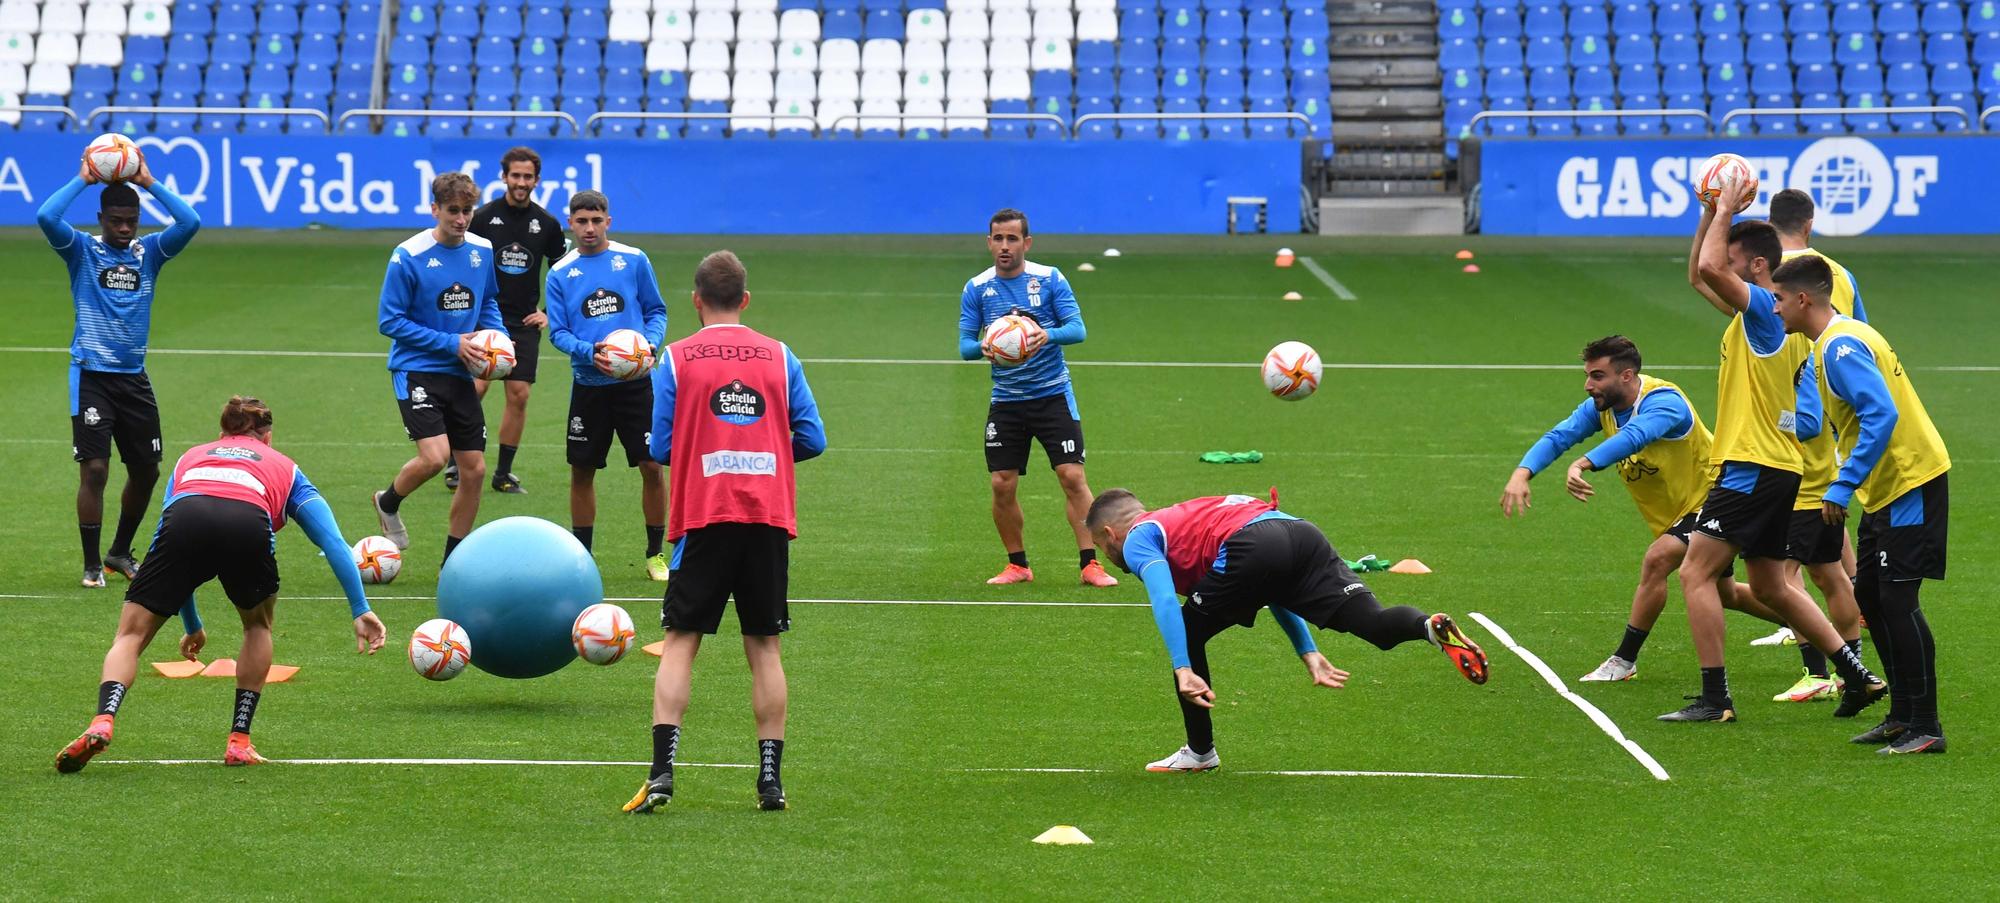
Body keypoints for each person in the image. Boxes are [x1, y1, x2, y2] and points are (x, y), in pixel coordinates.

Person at [54, 396, 387, 773]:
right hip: (247, 525)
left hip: (186, 519)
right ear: (267, 436)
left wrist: (192, 624)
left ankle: (103, 720)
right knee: (257, 625)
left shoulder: (190, 459)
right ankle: (239, 742)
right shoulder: (287, 469)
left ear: (222, 433)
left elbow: (170, 536)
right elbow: (332, 543)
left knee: (129, 635)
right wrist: (360, 609)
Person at [1668, 181, 1885, 725]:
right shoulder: (1764, 312)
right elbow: (1701, 273)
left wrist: (1721, 210)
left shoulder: (1765, 308)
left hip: (1751, 465)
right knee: (1769, 584)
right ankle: (1855, 673)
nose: (1724, 263)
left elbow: (1713, 271)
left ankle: (1715, 700)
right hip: (1776, 468)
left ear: (1759, 266)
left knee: (1696, 574)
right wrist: (1707, 217)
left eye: (1736, 259)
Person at [1086, 488, 1488, 773]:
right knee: (1373, 624)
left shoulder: (1138, 538)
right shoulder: (1184, 519)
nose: (1111, 558)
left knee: (1189, 632)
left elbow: (1162, 600)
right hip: (1299, 532)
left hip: (1254, 544)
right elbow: (1270, 581)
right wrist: (1307, 649)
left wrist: (1181, 667)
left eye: (1104, 551)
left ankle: (1200, 753)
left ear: (1110, 534)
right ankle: (1427, 628)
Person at [625, 251, 826, 814]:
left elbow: (659, 446)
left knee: (681, 644)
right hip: (766, 517)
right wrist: (765, 450)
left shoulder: (677, 358)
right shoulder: (780, 356)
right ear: (744, 300)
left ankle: (662, 774)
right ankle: (770, 782)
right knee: (764, 647)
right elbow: (812, 438)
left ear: (695, 300)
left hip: (703, 517)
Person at [1501, 336, 1795, 682]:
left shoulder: (1665, 403)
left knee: (1658, 559)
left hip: (1717, 497)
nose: (1587, 385)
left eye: (1597, 376)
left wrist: (1583, 464)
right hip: (1678, 511)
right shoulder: (1603, 406)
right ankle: (1805, 624)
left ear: (1626, 376)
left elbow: (1635, 436)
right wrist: (1522, 474)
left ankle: (1624, 660)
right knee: (1724, 593)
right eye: (1587, 375)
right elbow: (1560, 435)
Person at [1780, 255, 1952, 755]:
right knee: (1872, 599)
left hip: (1908, 481)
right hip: (1884, 485)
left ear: (1804, 298)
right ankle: (1901, 716)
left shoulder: (1839, 348)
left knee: (1898, 601)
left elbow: (1882, 412)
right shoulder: (1837, 338)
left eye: (1779, 298)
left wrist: (1840, 483)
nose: (1774, 308)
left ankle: (1927, 725)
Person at [37, 157, 201, 588]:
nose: (125, 228)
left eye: (131, 220)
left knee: (146, 470)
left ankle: (119, 552)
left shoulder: (150, 254)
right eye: (116, 221)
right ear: (101, 219)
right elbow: (45, 215)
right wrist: (84, 178)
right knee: (94, 470)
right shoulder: (82, 251)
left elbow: (191, 221)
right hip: (91, 375)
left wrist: (149, 182)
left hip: (133, 377)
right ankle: (92, 564)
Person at [957, 209, 1117, 588]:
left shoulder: (1049, 279)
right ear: (989, 242)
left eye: (1012, 239)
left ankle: (1090, 564)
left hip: (1052, 396)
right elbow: (964, 345)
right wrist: (985, 346)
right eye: (998, 239)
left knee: (1072, 477)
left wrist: (1047, 335)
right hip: (1007, 401)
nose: (1005, 246)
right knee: (1002, 482)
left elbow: (1077, 329)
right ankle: (1017, 565)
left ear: (1026, 243)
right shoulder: (977, 288)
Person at [369, 172, 505, 565]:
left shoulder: (482, 251)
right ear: (435, 210)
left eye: (467, 211)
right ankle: (388, 501)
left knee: (475, 470)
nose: (461, 219)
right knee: (434, 457)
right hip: (416, 368)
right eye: (452, 211)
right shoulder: (407, 256)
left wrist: (495, 338)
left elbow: (489, 302)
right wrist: (452, 343)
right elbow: (389, 322)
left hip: (461, 370)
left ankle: (453, 562)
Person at [544, 190, 670, 579]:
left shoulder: (633, 260)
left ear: (608, 222)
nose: (589, 228)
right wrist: (587, 350)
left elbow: (656, 310)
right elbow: (558, 332)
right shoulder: (560, 274)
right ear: (570, 223)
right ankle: (583, 557)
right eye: (581, 221)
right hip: (589, 386)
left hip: (636, 385)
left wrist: (649, 343)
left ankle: (654, 553)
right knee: (582, 471)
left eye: (596, 220)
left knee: (651, 465)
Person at [456, 146, 569, 495]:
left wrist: (549, 312)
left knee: (518, 395)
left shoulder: (547, 224)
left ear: (536, 180)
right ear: (504, 176)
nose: (521, 182)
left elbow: (564, 269)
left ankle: (503, 472)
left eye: (527, 177)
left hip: (523, 321)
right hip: (485, 317)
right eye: (515, 176)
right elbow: (461, 259)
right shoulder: (482, 217)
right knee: (474, 388)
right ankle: (457, 461)